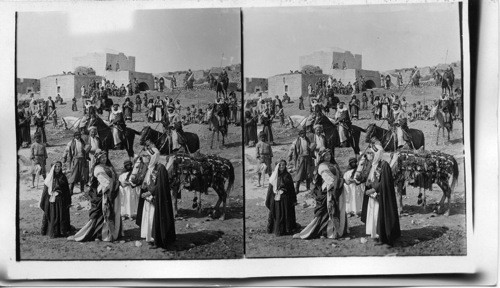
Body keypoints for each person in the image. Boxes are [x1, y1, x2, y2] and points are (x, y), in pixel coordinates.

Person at [293, 149, 347, 239]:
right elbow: (329, 180)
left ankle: (337, 230)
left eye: (329, 155)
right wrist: (342, 181)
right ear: (322, 157)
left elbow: (339, 176)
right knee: (326, 212)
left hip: (337, 190)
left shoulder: (333, 164)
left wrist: (342, 179)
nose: (328, 157)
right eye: (326, 156)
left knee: (338, 209)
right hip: (328, 191)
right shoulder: (322, 167)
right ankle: (324, 231)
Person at [71, 150, 122, 242]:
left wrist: (117, 183)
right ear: (98, 159)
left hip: (112, 192)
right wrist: (113, 185)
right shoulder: (98, 169)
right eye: (101, 158)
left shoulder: (108, 166)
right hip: (104, 194)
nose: (104, 159)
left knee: (113, 211)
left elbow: (113, 179)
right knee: (103, 213)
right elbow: (105, 182)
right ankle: (101, 234)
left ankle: (113, 233)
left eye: (105, 157)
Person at [360, 143, 401, 246]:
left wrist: (373, 189)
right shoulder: (372, 164)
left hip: (381, 197)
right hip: (372, 197)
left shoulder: (384, 165)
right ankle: (376, 234)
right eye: (368, 153)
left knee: (380, 215)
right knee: (373, 215)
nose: (368, 155)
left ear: (376, 154)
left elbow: (385, 183)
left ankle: (382, 237)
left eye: (370, 153)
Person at [142, 152, 176, 249]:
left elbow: (160, 185)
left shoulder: (160, 168)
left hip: (158, 198)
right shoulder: (150, 167)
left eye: (147, 158)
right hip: (150, 198)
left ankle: (158, 241)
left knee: (157, 219)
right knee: (150, 219)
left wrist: (149, 192)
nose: (145, 160)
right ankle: (152, 238)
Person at [135, 142, 160, 244]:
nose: (147, 159)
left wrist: (149, 192)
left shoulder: (158, 169)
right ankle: (148, 236)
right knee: (147, 217)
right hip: (147, 199)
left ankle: (154, 238)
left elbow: (158, 185)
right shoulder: (149, 168)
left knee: (152, 217)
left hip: (153, 198)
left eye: (149, 157)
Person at [40, 161, 71, 238]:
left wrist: (67, 200)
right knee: (53, 216)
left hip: (60, 200)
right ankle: (53, 231)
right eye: (56, 166)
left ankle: (61, 231)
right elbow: (45, 190)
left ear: (61, 167)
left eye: (59, 166)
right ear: (53, 167)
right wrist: (44, 201)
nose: (57, 168)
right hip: (51, 200)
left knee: (61, 216)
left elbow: (66, 190)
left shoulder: (63, 177)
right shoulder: (49, 177)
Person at [265, 160, 297, 236]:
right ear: (277, 166)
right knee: (278, 214)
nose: (281, 167)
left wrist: (294, 199)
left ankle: (286, 229)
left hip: (286, 198)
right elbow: (270, 188)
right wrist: (269, 199)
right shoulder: (274, 175)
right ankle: (278, 229)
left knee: (286, 213)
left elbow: (291, 188)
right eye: (280, 165)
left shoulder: (287, 175)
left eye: (283, 165)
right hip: (276, 199)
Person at [288, 129, 314, 194]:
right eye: (302, 134)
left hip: (307, 158)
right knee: (299, 173)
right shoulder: (296, 141)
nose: (303, 135)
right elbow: (291, 149)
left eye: (304, 133)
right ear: (299, 135)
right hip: (300, 158)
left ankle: (308, 188)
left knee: (308, 173)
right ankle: (297, 189)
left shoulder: (307, 140)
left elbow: (311, 148)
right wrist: (290, 156)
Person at [63, 131, 89, 195]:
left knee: (82, 174)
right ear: (74, 136)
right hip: (75, 160)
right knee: (73, 174)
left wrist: (87, 157)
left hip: (82, 160)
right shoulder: (71, 143)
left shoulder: (83, 142)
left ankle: (82, 189)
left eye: (79, 135)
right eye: (76, 135)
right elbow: (66, 150)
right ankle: (71, 190)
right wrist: (64, 157)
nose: (78, 136)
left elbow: (86, 150)